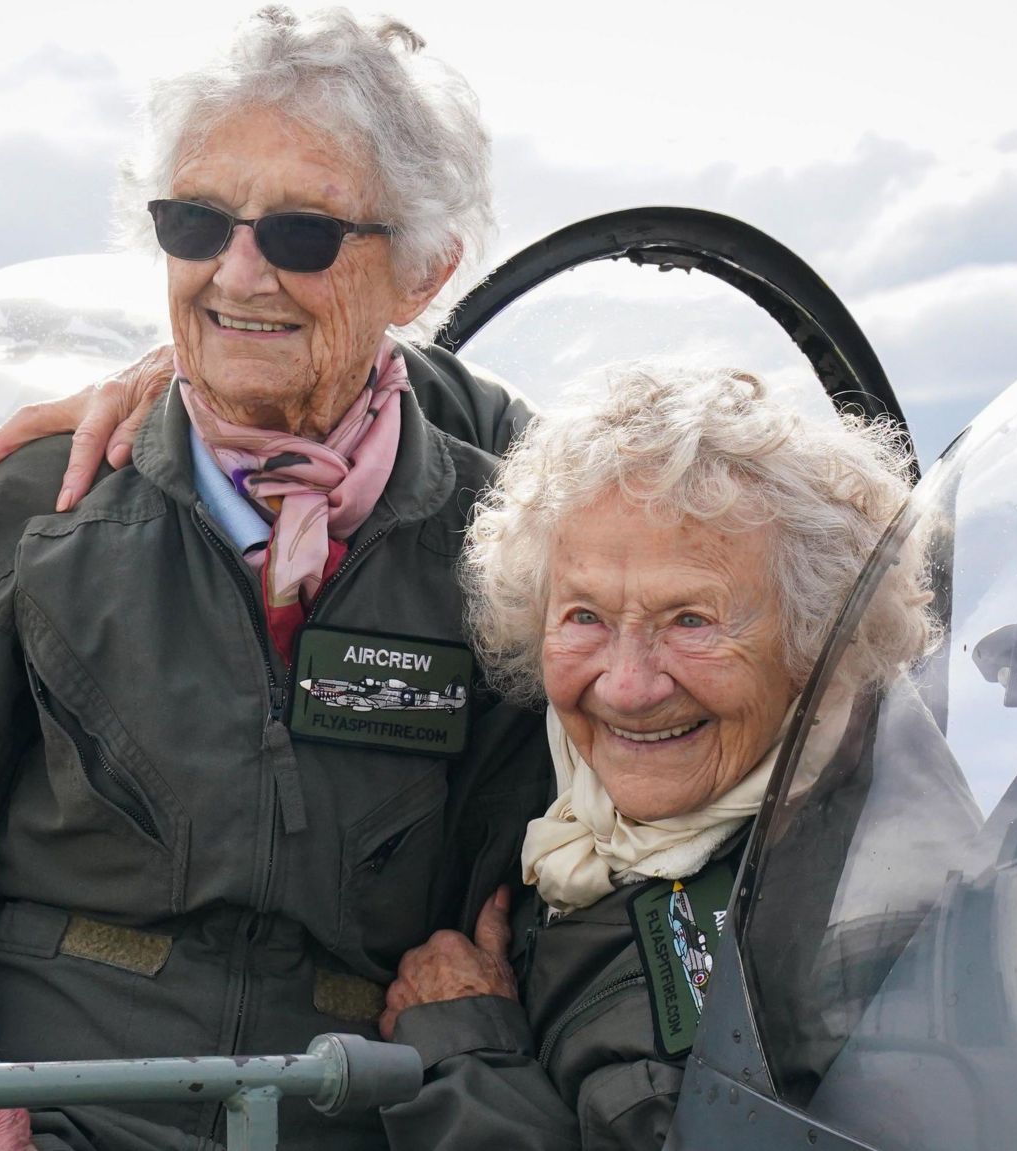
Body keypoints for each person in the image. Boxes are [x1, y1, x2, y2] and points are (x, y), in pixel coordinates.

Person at [0, 9, 548, 1151]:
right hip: (51, 1119)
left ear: (420, 273)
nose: (236, 272)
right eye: (193, 221)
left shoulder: (505, 553)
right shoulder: (38, 510)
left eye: (301, 233)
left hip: (352, 1118)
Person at [371, 362, 932, 1150]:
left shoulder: (869, 921)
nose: (628, 688)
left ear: (819, 638)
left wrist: (468, 1053)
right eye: (586, 615)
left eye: (692, 620)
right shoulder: (554, 789)